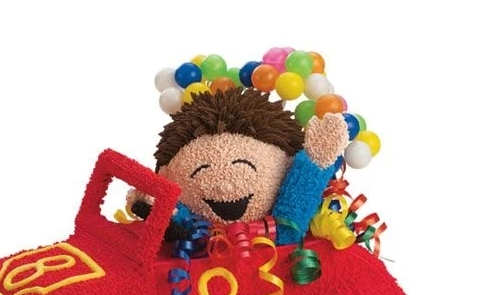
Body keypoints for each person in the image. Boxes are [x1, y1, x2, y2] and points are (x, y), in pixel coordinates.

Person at [130, 87, 347, 245]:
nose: (224, 187)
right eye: (201, 171)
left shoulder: (277, 230)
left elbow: (291, 221)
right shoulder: (195, 228)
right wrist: (160, 206)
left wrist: (314, 163)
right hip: (199, 246)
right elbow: (182, 218)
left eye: (243, 165)